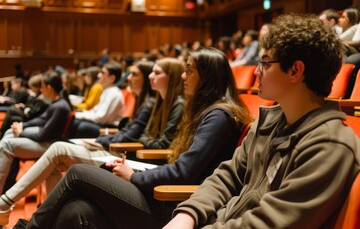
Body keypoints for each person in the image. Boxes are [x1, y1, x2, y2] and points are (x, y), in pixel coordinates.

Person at [12, 47, 252, 229]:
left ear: (208, 77)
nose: (183, 76)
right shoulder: (208, 112)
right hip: (167, 196)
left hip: (179, 207)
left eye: (189, 70)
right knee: (77, 211)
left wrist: (135, 176)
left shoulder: (219, 116)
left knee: (78, 173)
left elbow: (183, 173)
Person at [163, 13, 360, 229]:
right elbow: (227, 176)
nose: (256, 71)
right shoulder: (269, 122)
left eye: (265, 63)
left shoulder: (329, 146)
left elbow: (269, 224)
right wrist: (188, 215)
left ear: (295, 70)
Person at [0, 61, 158, 226]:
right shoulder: (142, 101)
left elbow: (130, 135)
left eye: (134, 74)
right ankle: (46, 217)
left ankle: (6, 202)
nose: (128, 78)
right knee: (57, 154)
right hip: (114, 146)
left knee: (59, 148)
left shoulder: (147, 103)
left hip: (122, 156)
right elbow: (128, 133)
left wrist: (98, 140)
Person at [0, 71, 72, 221]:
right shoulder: (56, 103)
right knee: (8, 134)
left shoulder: (60, 106)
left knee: (7, 143)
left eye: (43, 87)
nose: (41, 90)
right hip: (45, 142)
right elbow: (39, 120)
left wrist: (21, 132)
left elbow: (42, 135)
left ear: (50, 87)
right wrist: (22, 125)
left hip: (50, 146)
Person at [69, 62, 125, 138]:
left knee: (82, 126)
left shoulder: (114, 94)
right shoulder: (106, 90)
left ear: (112, 78)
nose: (98, 75)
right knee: (74, 121)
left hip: (109, 128)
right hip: (102, 124)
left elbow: (101, 118)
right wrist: (78, 115)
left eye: (103, 73)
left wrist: (79, 115)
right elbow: (95, 111)